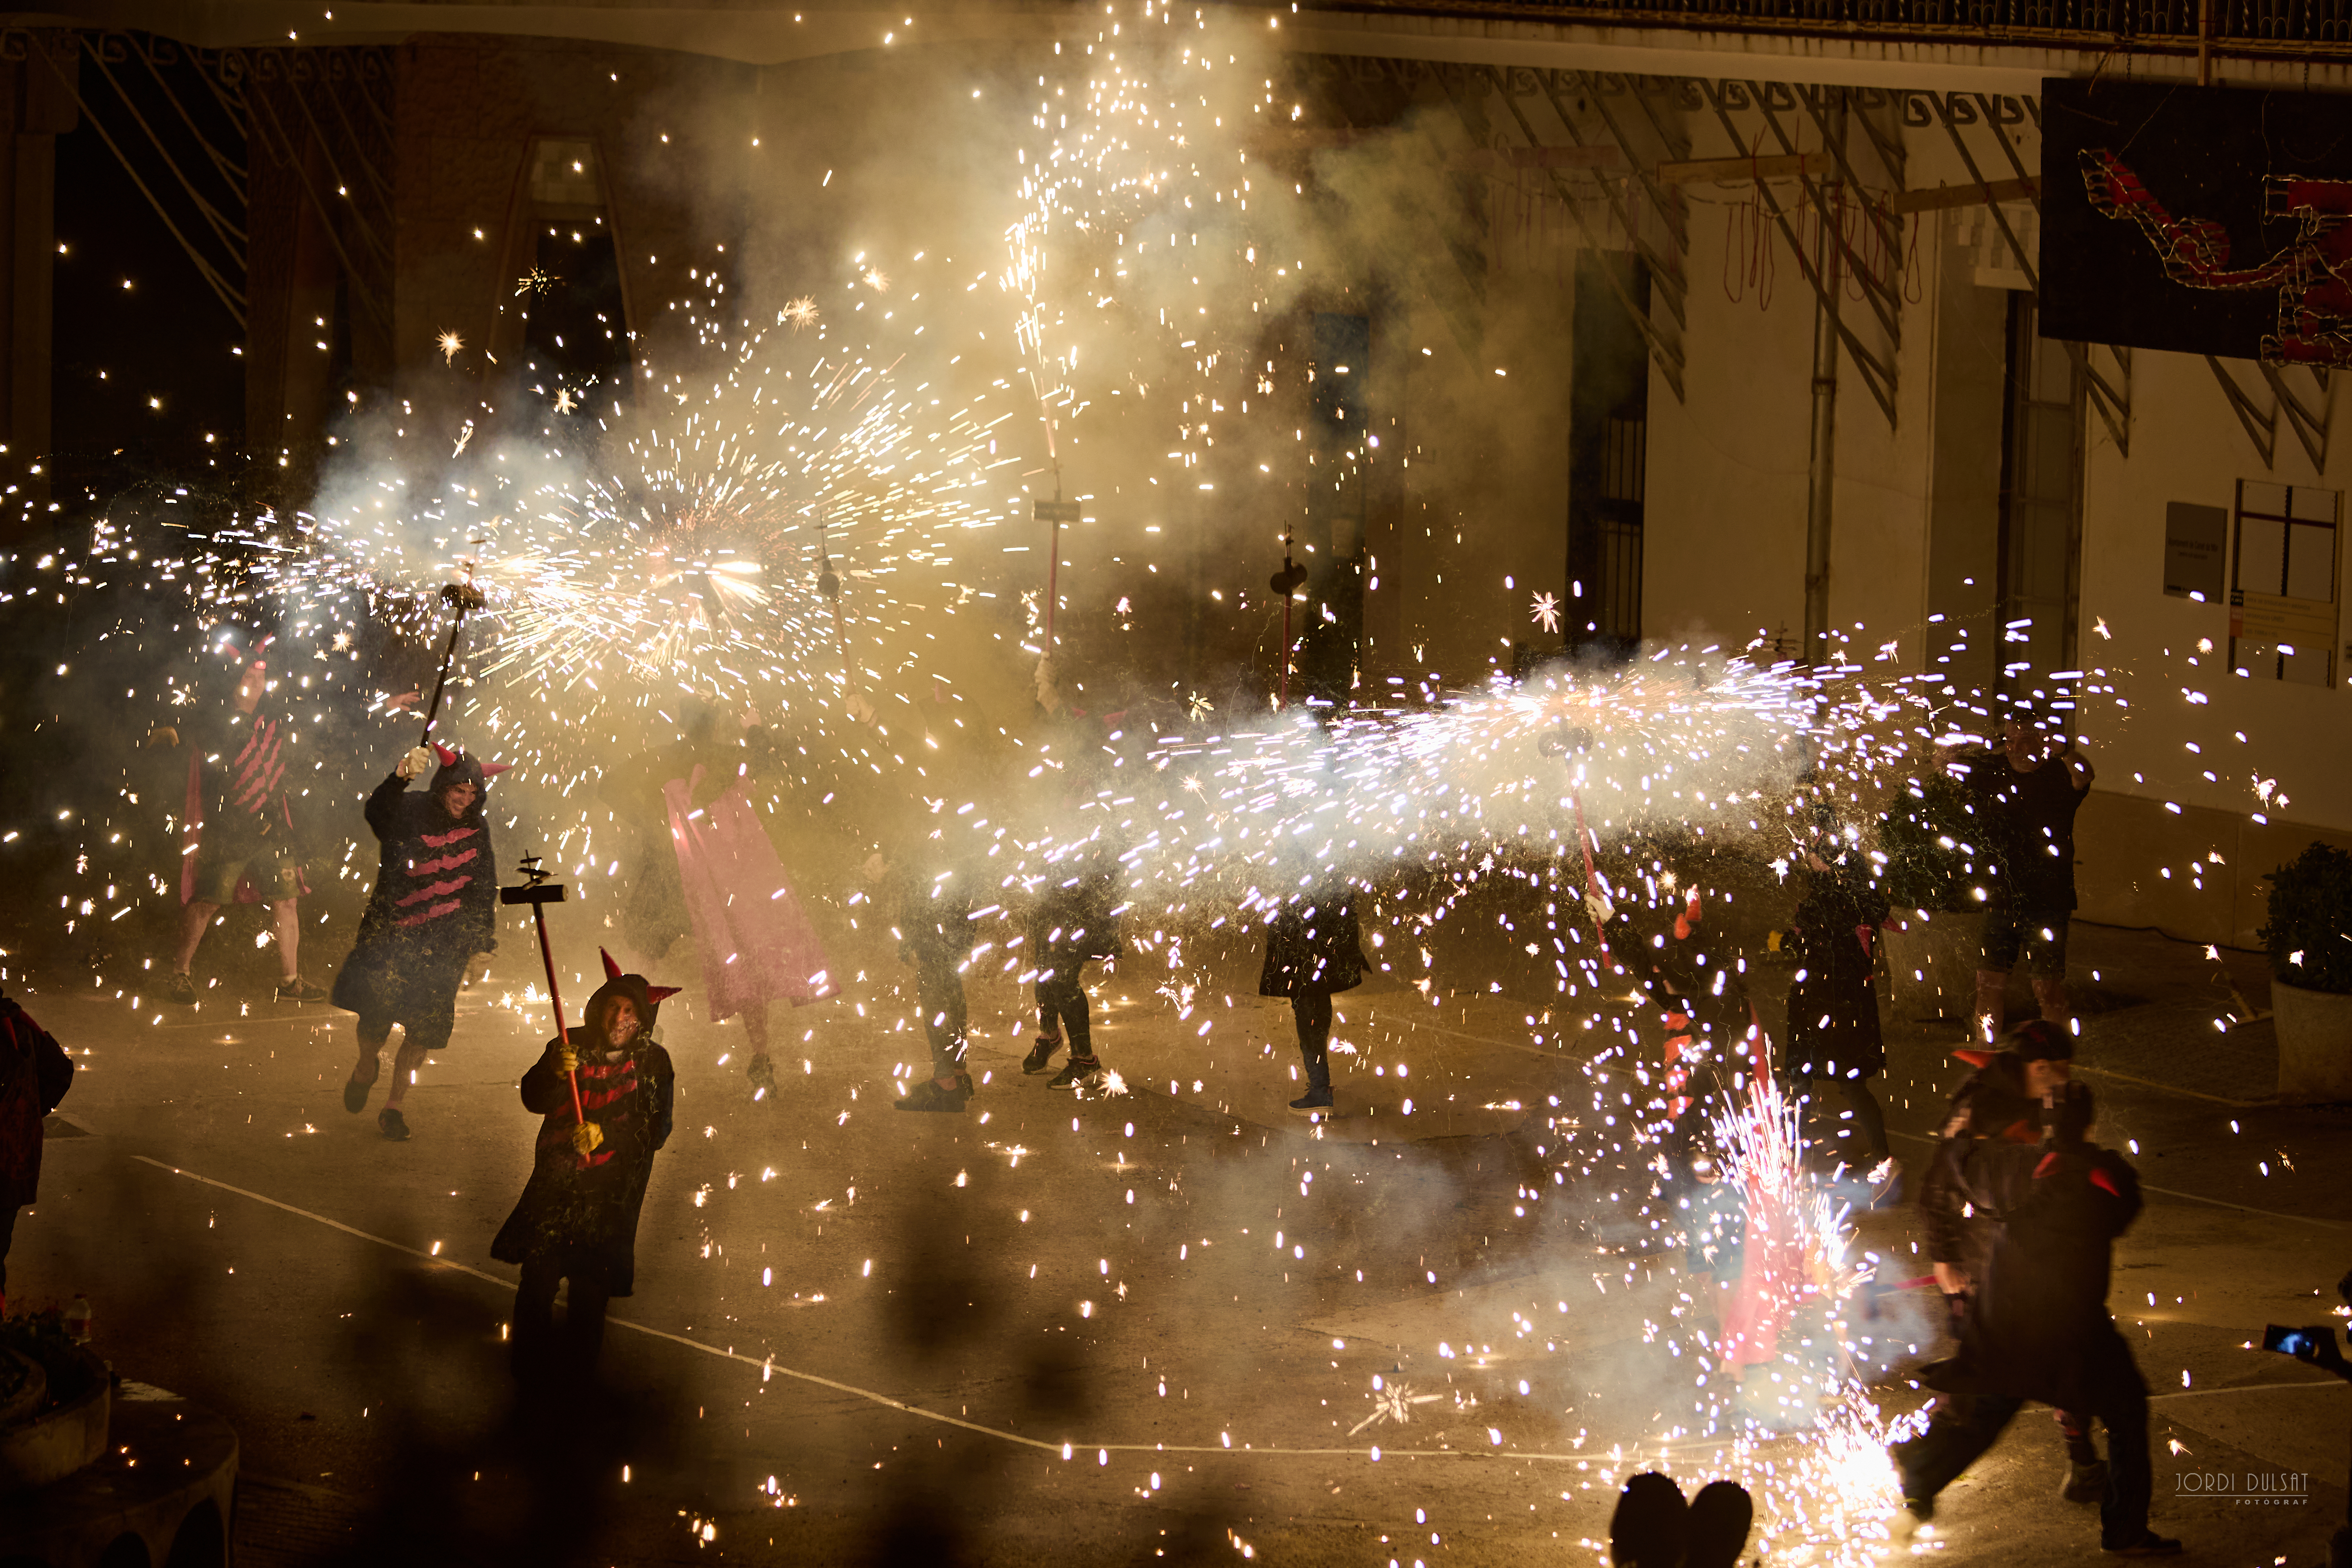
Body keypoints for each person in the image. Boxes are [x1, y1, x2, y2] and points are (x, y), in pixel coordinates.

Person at [1893, 1082, 2180, 1557]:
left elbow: (1962, 1171)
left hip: (2003, 1315)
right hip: (2070, 1326)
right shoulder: (2104, 1174)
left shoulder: (2012, 1165)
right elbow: (2122, 1210)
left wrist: (1959, 1138)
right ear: (2088, 1125)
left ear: (2042, 1127)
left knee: (1988, 1410)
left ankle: (1918, 1491)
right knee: (2126, 1411)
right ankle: (2125, 1530)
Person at [1920, 1020, 2108, 1503]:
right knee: (1978, 1378)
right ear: (2038, 1066)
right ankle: (1921, 1472)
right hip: (1985, 1266)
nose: (2064, 1080)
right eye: (2057, 1071)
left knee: (2073, 1362)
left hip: (2039, 1259)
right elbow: (1939, 1184)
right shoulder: (1979, 1105)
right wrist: (1944, 1256)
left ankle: (2083, 1462)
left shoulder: (2059, 1103)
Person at [491, 951, 678, 1385]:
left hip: (609, 1198)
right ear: (599, 1007)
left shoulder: (654, 1063)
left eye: (630, 1011)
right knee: (537, 1284)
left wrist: (605, 1136)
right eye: (613, 1005)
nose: (619, 1016)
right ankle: (527, 1378)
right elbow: (534, 1098)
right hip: (557, 1188)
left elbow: (655, 1131)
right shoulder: (568, 1043)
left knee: (590, 1297)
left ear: (642, 1021)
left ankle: (576, 1388)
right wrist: (555, 1072)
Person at [333, 741, 504, 1141]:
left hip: (445, 946)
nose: (464, 800)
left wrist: (482, 944)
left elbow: (482, 887)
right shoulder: (409, 810)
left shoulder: (478, 828)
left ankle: (394, 1106)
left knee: (422, 1031)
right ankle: (365, 1066)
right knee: (374, 1022)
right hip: (393, 937)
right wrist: (399, 776)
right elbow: (376, 813)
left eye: (472, 794)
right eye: (457, 791)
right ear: (442, 786)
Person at [661, 719, 833, 1102]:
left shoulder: (689, 779)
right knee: (746, 964)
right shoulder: (714, 774)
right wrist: (755, 732)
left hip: (735, 890)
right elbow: (767, 766)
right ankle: (757, 1054)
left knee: (748, 966)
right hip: (734, 890)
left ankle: (760, 1054)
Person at [168, 649, 324, 1005]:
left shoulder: (275, 717)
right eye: (247, 678)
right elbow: (186, 722)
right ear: (234, 683)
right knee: (207, 902)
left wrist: (387, 701)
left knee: (287, 900)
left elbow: (327, 708)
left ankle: (290, 981)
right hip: (232, 830)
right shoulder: (216, 722)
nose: (255, 685)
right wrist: (169, 728)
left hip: (274, 828)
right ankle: (179, 973)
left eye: (260, 678)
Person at [1947, 705, 2095, 1043]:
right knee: (1988, 984)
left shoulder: (2059, 773)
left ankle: (2055, 1061)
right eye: (2011, 737)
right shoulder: (1990, 769)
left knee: (2048, 988)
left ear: (2041, 738)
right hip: (1999, 898)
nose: (2017, 745)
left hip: (2047, 899)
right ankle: (1987, 1058)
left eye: (2025, 737)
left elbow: (2085, 774)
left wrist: (2066, 749)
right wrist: (1984, 741)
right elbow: (1946, 763)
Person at [1781, 835, 1894, 1173]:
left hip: (1819, 1001)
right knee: (1851, 1082)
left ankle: (1792, 1157)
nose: (1808, 857)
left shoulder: (1823, 901)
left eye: (1814, 853)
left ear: (1828, 859)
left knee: (1803, 1079)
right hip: (1851, 1004)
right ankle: (1883, 1158)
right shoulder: (1860, 895)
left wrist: (1787, 940)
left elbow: (1808, 944)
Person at [1257, 875, 1367, 1115]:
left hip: (1309, 948)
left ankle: (1319, 1091)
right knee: (1313, 1008)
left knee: (1310, 1014)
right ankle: (1320, 1087)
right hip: (1314, 944)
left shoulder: (1305, 866)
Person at [1020, 840, 1123, 1092]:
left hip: (1085, 899)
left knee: (1063, 978)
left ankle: (1084, 1059)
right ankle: (1049, 1035)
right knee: (1043, 971)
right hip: (1054, 892)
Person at [886, 844, 978, 1113]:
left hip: (933, 938)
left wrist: (908, 946)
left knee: (935, 1006)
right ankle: (958, 1076)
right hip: (955, 930)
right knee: (952, 999)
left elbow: (918, 900)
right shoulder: (953, 848)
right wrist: (964, 941)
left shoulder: (918, 857)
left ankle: (945, 1083)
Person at [0, 990, 72, 1316]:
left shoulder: (16, 1025)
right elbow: (59, 1070)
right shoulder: (18, 1021)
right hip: (11, 1168)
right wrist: (28, 1116)